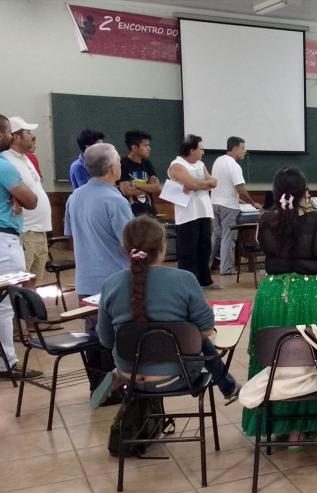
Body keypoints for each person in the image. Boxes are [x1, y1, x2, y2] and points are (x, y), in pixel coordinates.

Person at [240, 167, 317, 444]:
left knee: (274, 358)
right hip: (312, 296)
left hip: (271, 297)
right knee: (314, 360)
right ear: (306, 192)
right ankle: (307, 423)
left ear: (276, 194)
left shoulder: (264, 220)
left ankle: (276, 421)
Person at [94, 217, 240, 406]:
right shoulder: (184, 279)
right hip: (177, 377)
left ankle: (117, 373)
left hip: (129, 377)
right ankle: (228, 386)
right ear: (163, 247)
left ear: (125, 248)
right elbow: (206, 330)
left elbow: (106, 340)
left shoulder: (110, 285)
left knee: (169, 336)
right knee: (196, 337)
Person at [64, 142, 134, 401]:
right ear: (113, 168)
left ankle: (98, 388)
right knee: (115, 336)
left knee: (94, 334)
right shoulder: (114, 199)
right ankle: (117, 388)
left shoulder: (75, 197)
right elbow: (131, 243)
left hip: (86, 279)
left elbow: (71, 237)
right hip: (114, 279)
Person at [0, 115, 38, 379]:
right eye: (5, 132)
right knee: (5, 303)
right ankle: (7, 364)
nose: (10, 136)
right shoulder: (4, 166)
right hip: (5, 239)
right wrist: (18, 196)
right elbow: (31, 200)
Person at [2, 117, 50, 290]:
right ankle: (20, 316)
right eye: (28, 132)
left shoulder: (26, 158)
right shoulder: (6, 160)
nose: (32, 136)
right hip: (25, 230)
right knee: (19, 282)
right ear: (16, 137)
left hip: (39, 230)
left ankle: (30, 316)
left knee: (32, 281)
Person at [167, 135, 219, 289]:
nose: (203, 152)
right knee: (188, 250)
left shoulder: (200, 164)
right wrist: (202, 184)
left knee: (204, 248)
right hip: (188, 214)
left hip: (203, 211)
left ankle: (205, 280)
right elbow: (191, 184)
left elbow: (213, 182)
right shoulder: (177, 164)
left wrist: (199, 184)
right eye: (201, 149)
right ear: (191, 150)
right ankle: (188, 284)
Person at [210, 136, 260, 276]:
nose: (245, 151)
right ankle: (226, 269)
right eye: (243, 148)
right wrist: (252, 203)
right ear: (235, 148)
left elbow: (224, 186)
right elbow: (240, 189)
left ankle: (206, 265)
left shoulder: (218, 161)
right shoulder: (234, 165)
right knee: (228, 236)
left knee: (216, 236)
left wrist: (239, 200)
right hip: (228, 207)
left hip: (214, 203)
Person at [117, 130, 162, 218]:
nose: (149, 148)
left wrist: (135, 184)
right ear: (134, 148)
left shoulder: (147, 163)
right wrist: (148, 186)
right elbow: (126, 191)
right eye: (145, 145)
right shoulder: (123, 164)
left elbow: (157, 188)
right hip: (131, 214)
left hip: (149, 211)